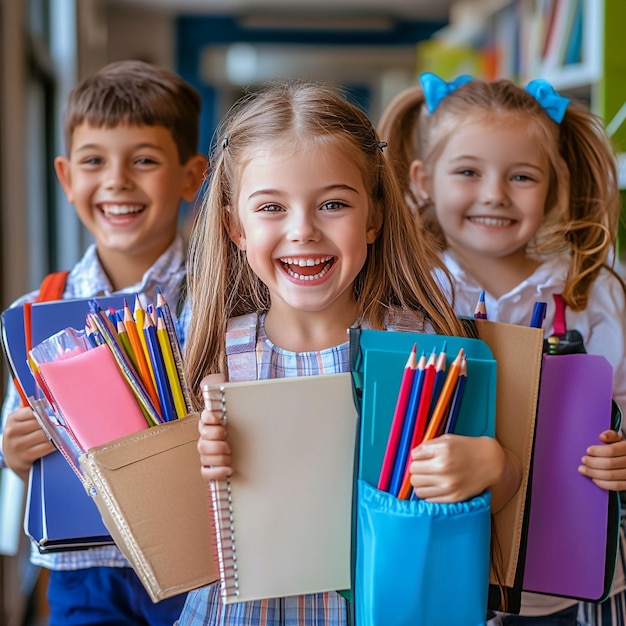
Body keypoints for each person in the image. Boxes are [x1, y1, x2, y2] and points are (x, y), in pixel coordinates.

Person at [176, 78, 522, 626]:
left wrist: (492, 466)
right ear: (234, 227)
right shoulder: (210, 354)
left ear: (375, 217)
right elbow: (167, 529)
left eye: (333, 204)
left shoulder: (426, 350)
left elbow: (497, 506)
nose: (303, 231)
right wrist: (193, 470)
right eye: (271, 207)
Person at [378, 72, 626, 626]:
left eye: (521, 176)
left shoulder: (594, 290)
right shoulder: (403, 294)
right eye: (468, 171)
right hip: (441, 572)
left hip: (574, 584)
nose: (494, 193)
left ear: (552, 190)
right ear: (422, 179)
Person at [0, 59, 206, 626]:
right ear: (66, 179)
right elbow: (20, 447)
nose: (117, 180)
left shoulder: (221, 305)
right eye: (94, 162)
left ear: (191, 178)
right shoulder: (34, 311)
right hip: (83, 572)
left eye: (144, 160)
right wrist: (16, 454)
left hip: (200, 563)